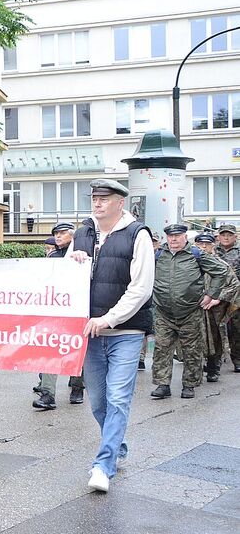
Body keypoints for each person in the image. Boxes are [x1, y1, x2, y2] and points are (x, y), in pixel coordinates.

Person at [71, 179, 154, 493]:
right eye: (94, 198)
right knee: (98, 402)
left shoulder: (138, 234)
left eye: (104, 198)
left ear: (120, 202)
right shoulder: (83, 233)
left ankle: (103, 465)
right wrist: (73, 260)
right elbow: (65, 281)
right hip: (90, 333)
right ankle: (116, 444)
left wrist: (109, 319)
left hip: (126, 331)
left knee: (118, 398)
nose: (97, 203)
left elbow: (141, 287)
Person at [151, 224, 228, 400]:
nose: (174, 239)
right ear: (166, 238)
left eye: (178, 236)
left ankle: (189, 385)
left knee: (191, 350)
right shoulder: (158, 255)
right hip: (164, 312)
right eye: (171, 236)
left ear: (185, 237)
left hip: (190, 311)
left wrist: (211, 295)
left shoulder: (196, 255)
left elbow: (221, 272)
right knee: (162, 349)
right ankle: (162, 385)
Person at [33, 222, 85, 410]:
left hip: (77, 311)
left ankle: (77, 387)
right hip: (55, 311)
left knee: (77, 350)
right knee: (49, 350)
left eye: (62, 233)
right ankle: (47, 393)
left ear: (72, 235)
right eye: (56, 233)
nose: (58, 236)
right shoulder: (52, 257)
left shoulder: (83, 256)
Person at [195, 232, 240, 382]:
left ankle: (214, 367)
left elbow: (234, 285)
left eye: (206, 244)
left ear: (213, 245)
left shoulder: (220, 264)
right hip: (193, 307)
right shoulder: (189, 263)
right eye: (200, 244)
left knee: (214, 338)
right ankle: (195, 370)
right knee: (193, 338)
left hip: (215, 309)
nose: (203, 247)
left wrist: (217, 298)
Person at [215, 224, 240, 373]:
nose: (226, 237)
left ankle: (237, 359)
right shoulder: (212, 251)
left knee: (236, 328)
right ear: (218, 236)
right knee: (215, 329)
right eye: (223, 234)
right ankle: (215, 360)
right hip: (216, 294)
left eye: (229, 235)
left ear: (235, 237)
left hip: (236, 294)